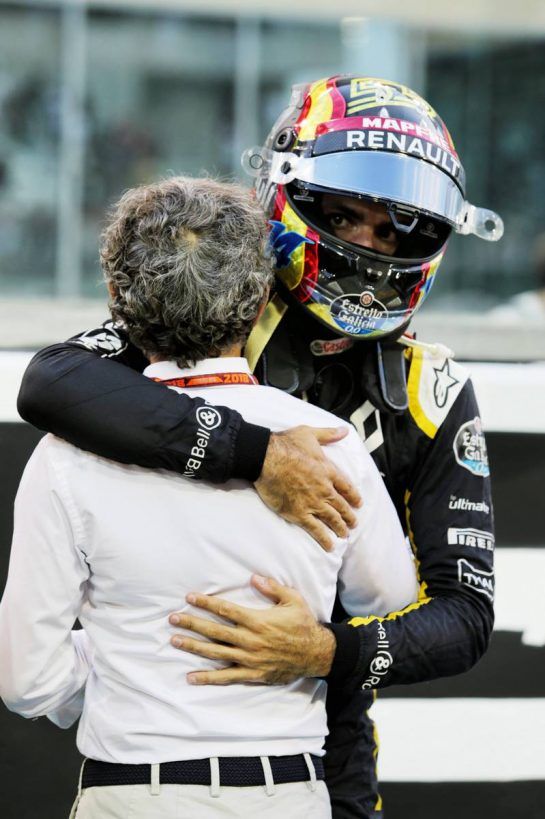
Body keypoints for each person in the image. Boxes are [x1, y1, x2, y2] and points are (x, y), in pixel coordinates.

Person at [17, 76, 502, 818]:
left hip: (323, 751)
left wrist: (323, 651)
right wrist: (257, 453)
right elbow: (49, 382)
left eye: (393, 231)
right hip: (147, 748)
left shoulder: (427, 389)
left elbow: (464, 616)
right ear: (285, 196)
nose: (368, 247)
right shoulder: (208, 316)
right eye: (342, 215)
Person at [0, 176, 420, 818]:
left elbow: (27, 681)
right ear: (260, 298)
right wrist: (305, 644)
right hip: (292, 794)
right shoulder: (330, 445)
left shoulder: (65, 458)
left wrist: (123, 653)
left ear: (116, 298)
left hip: (132, 793)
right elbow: (388, 603)